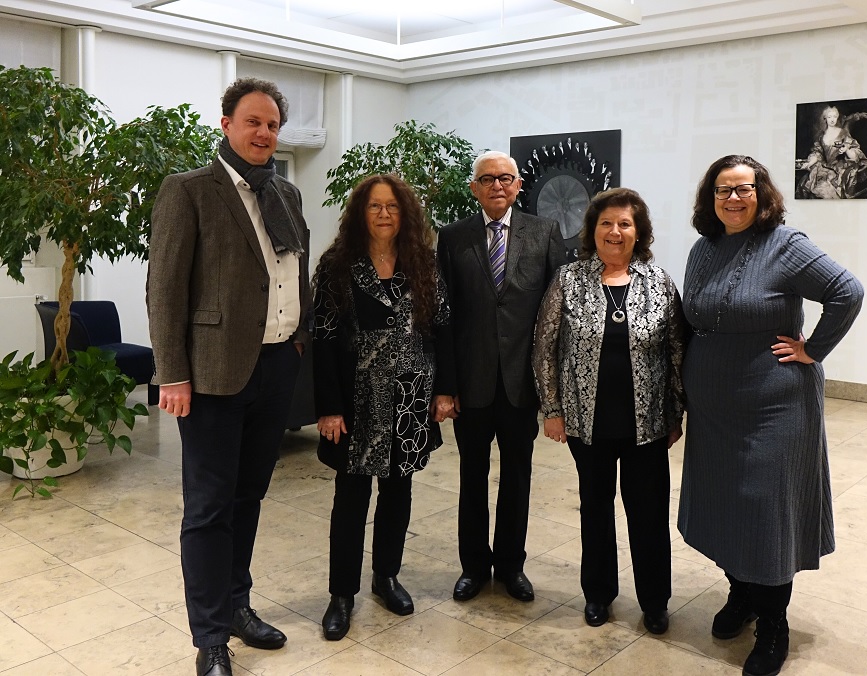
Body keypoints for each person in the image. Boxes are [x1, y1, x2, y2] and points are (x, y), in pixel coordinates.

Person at [147, 78, 311, 676]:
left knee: (250, 496)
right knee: (209, 507)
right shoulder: (189, 190)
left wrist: (298, 343)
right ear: (225, 124)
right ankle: (210, 635)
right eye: (253, 122)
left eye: (272, 124)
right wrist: (173, 374)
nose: (264, 133)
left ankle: (238, 606)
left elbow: (292, 275)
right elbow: (164, 289)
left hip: (274, 369)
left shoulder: (287, 195)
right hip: (212, 376)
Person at [678, 155, 864, 676]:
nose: (732, 199)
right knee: (726, 503)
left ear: (762, 193)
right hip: (715, 409)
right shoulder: (703, 249)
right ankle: (741, 594)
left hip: (773, 405)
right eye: (722, 190)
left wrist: (814, 348)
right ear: (709, 198)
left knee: (764, 508)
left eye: (743, 189)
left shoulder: (786, 245)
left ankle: (773, 623)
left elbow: (847, 291)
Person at [532, 188, 686, 633]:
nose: (615, 232)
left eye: (624, 224)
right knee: (595, 510)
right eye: (606, 223)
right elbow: (544, 347)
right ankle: (598, 595)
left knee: (649, 514)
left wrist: (676, 412)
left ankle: (655, 601)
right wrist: (552, 409)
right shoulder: (569, 279)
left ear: (639, 232)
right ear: (592, 230)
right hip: (587, 423)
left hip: (648, 425)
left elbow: (678, 350)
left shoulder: (658, 281)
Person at [313, 174, 455, 641]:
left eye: (392, 206)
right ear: (360, 213)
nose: (384, 214)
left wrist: (444, 391)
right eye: (374, 206)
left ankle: (386, 577)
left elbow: (444, 330)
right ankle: (341, 594)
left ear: (405, 213)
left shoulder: (424, 264)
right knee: (350, 499)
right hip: (356, 398)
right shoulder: (336, 265)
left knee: (398, 492)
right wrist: (329, 407)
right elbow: (325, 339)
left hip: (413, 395)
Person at [436, 151, 565, 603]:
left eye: (505, 178)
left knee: (517, 477)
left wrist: (552, 392)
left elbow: (555, 314)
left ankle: (511, 565)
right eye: (487, 179)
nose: (496, 186)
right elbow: (443, 318)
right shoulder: (452, 238)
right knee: (471, 478)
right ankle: (473, 566)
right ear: (474, 187)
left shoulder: (544, 232)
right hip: (470, 385)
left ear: (517, 185)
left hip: (519, 384)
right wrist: (444, 387)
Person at [796, 105, 867, 199]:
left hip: (839, 168)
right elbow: (817, 153)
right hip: (823, 167)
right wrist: (810, 162)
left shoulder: (843, 133)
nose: (832, 119)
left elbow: (855, 152)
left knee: (828, 185)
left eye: (835, 117)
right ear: (825, 118)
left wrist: (846, 149)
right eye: (829, 117)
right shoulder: (821, 136)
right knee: (806, 183)